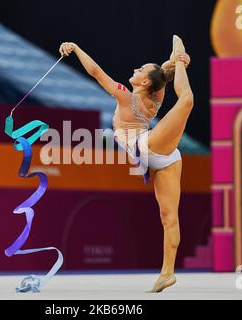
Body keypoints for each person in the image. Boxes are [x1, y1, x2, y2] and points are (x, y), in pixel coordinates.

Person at [59, 35, 192, 292]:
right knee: (168, 218)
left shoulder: (125, 97)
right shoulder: (156, 96)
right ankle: (167, 273)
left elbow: (96, 72)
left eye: (139, 69)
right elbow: (162, 72)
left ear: (143, 82)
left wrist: (75, 47)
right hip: (161, 158)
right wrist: (175, 61)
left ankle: (181, 57)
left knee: (187, 101)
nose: (135, 69)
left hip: (149, 146)